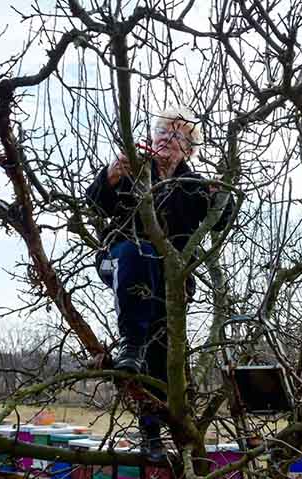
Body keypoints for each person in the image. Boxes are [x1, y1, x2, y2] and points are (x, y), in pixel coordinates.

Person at [86, 107, 232, 457]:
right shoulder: (132, 169)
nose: (168, 139)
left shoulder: (192, 185)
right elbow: (96, 202)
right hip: (120, 262)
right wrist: (111, 176)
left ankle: (152, 434)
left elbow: (221, 220)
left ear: (189, 150)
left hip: (169, 281)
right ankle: (131, 344)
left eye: (178, 135)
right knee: (139, 254)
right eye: (163, 131)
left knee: (163, 349)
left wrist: (219, 196)